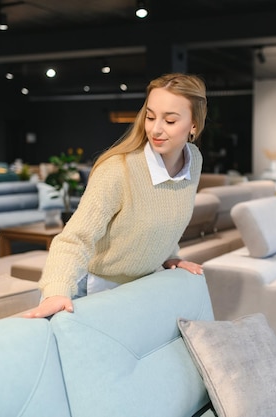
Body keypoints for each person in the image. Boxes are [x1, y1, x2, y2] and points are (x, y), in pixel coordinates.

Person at [25, 73, 207, 318]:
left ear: (194, 124)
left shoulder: (193, 159)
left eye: (170, 121)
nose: (156, 129)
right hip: (89, 291)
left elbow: (168, 214)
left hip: (139, 287)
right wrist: (57, 290)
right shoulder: (117, 170)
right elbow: (74, 239)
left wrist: (169, 255)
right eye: (150, 117)